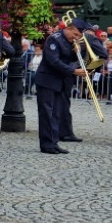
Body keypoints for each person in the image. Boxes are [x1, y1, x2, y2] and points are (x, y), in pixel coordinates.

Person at [35, 19, 86, 154]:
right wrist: (73, 71)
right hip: (47, 80)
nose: (76, 38)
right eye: (75, 34)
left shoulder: (71, 43)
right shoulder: (54, 39)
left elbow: (72, 62)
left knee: (57, 113)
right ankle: (46, 144)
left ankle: (54, 142)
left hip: (60, 82)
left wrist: (77, 52)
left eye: (78, 36)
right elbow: (54, 61)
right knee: (47, 113)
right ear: (69, 29)